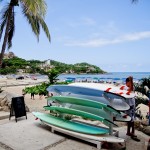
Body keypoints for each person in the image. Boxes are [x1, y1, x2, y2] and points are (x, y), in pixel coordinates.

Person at [120, 76, 140, 142]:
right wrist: (131, 80)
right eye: (130, 82)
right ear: (127, 82)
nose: (131, 84)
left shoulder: (130, 87)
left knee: (131, 119)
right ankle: (131, 132)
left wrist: (131, 80)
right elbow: (129, 89)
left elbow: (131, 88)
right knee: (131, 120)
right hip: (128, 106)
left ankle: (130, 132)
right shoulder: (125, 87)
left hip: (132, 105)